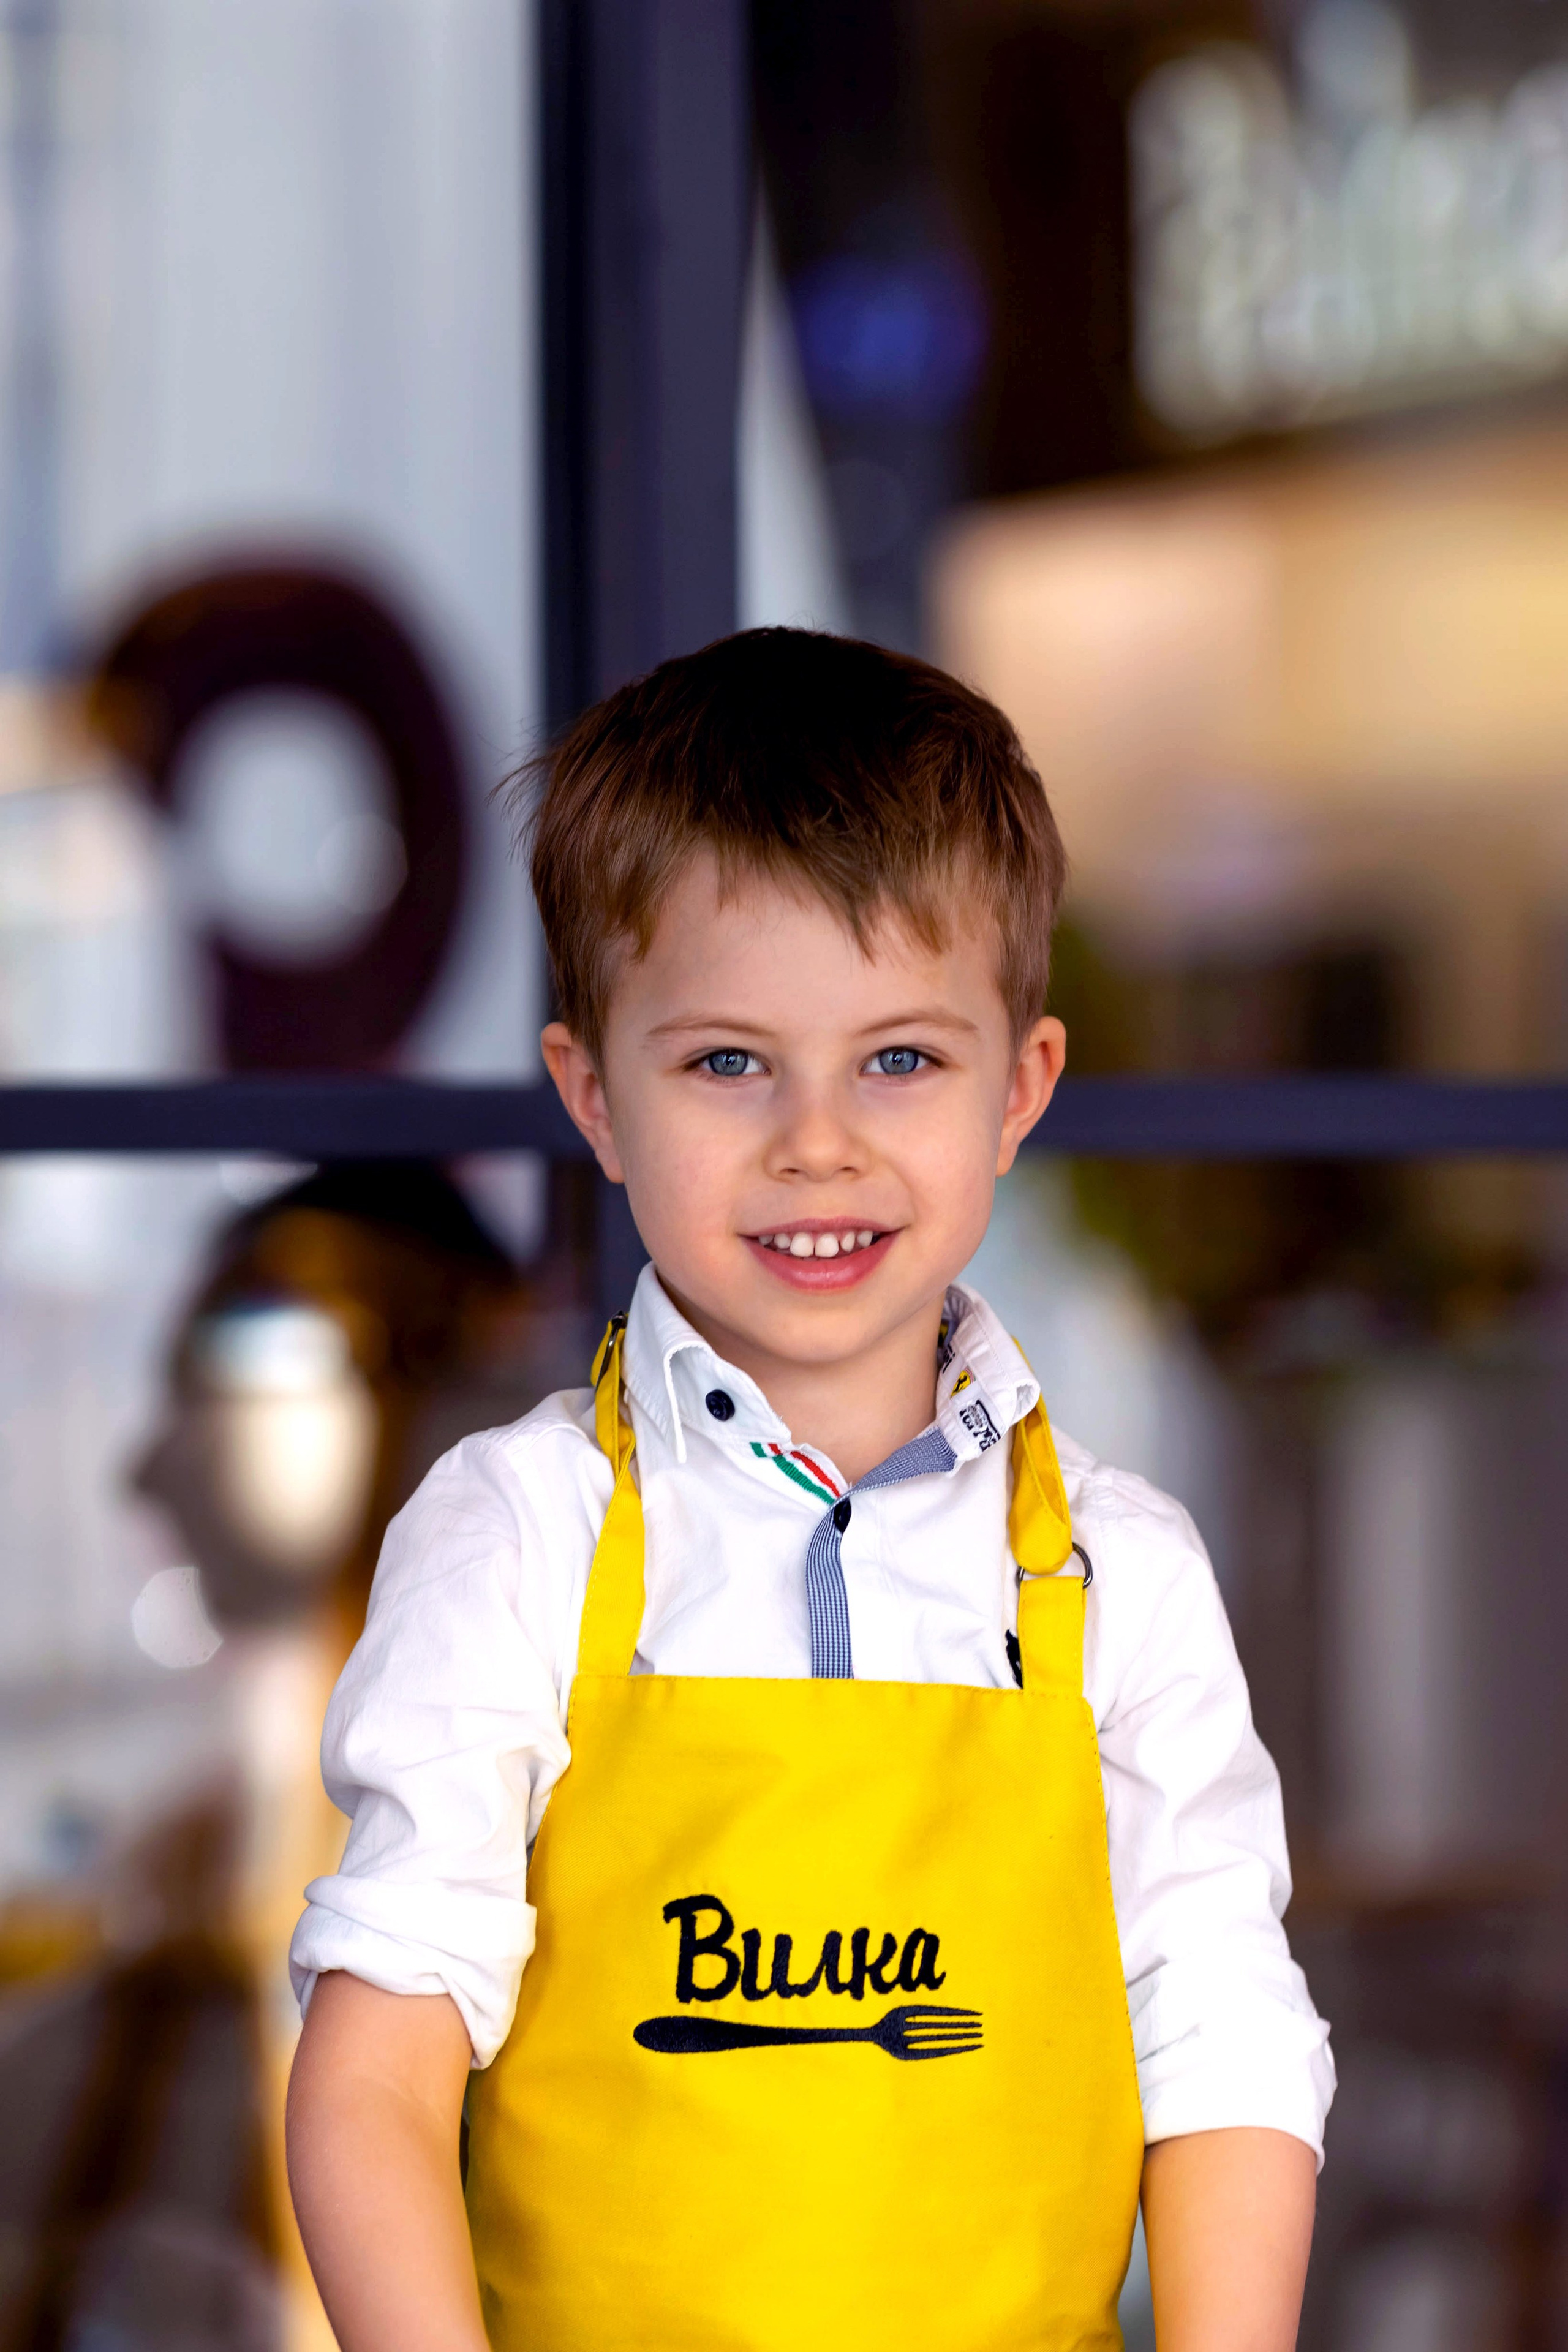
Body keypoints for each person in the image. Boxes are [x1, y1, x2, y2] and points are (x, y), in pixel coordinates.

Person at [285, 629, 1333, 2351]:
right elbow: (376, 2065)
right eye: (726, 1063)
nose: (818, 1142)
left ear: (1022, 1088)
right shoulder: (525, 1537)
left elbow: (1218, 2044)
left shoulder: (1120, 1578)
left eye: (900, 1061)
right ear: (592, 1098)